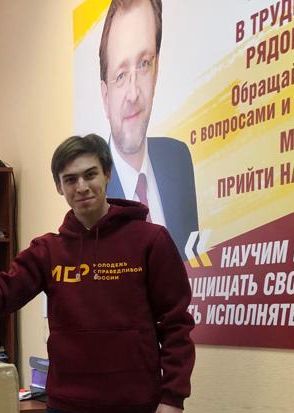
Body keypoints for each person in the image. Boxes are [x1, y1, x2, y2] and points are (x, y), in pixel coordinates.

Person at [0, 135, 195, 413]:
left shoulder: (150, 240)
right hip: (68, 409)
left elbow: (175, 324)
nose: (81, 187)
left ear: (107, 174)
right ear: (59, 187)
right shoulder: (48, 251)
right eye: (70, 179)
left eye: (90, 174)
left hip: (134, 406)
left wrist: (173, 397)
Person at [99, 0, 198, 261]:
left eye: (144, 64)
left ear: (156, 70)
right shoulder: (92, 189)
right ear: (105, 96)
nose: (133, 94)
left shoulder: (177, 159)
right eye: (121, 75)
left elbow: (190, 266)